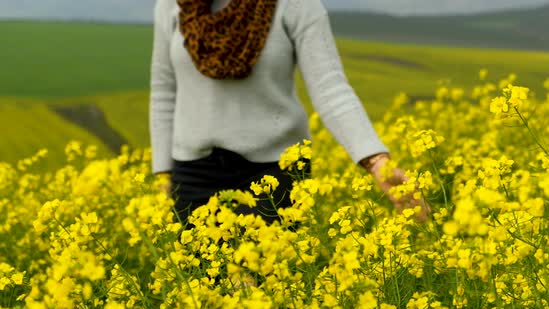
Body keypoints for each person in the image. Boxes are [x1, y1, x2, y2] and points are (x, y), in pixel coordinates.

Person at [149, 0, 429, 224]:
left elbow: (331, 89)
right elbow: (163, 92)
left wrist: (375, 160)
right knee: (204, 290)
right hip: (194, 176)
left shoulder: (295, 5)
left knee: (267, 288)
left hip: (276, 172)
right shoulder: (172, 6)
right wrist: (162, 175)